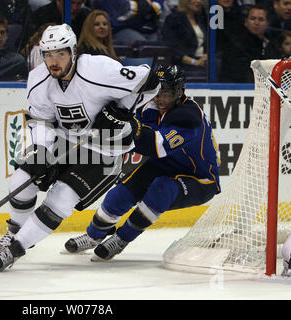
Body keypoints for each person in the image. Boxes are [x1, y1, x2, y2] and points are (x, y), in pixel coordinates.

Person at [0, 23, 160, 272]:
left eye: (60, 54)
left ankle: (15, 249)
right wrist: (42, 152)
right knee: (20, 180)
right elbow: (41, 120)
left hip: (105, 147)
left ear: (73, 52)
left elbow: (150, 80)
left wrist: (122, 110)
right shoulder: (38, 79)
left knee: (61, 199)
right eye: (48, 54)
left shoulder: (99, 69)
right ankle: (14, 233)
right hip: (64, 140)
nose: (53, 61)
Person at [63, 64, 221, 261]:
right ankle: (93, 235)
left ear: (180, 92)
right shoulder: (149, 107)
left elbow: (156, 146)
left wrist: (127, 124)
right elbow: (128, 134)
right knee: (119, 194)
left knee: (162, 189)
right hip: (162, 167)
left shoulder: (189, 117)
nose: (160, 99)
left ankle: (121, 239)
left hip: (200, 179)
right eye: (157, 93)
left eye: (167, 94)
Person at [219, 4, 281, 83]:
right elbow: (238, 73)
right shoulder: (235, 44)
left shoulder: (272, 43)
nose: (256, 23)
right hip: (241, 88)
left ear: (267, 23)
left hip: (267, 87)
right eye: (252, 18)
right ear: (246, 22)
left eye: (261, 19)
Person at [162, 0, 208, 78]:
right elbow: (171, 47)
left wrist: (206, 55)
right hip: (184, 65)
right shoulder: (173, 19)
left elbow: (207, 42)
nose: (199, 1)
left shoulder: (201, 19)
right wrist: (194, 62)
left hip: (203, 62)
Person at [94, 0, 161, 45]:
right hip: (119, 28)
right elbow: (120, 11)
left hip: (148, 27)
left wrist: (153, 8)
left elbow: (158, 7)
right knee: (142, 47)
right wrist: (141, 6)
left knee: (158, 48)